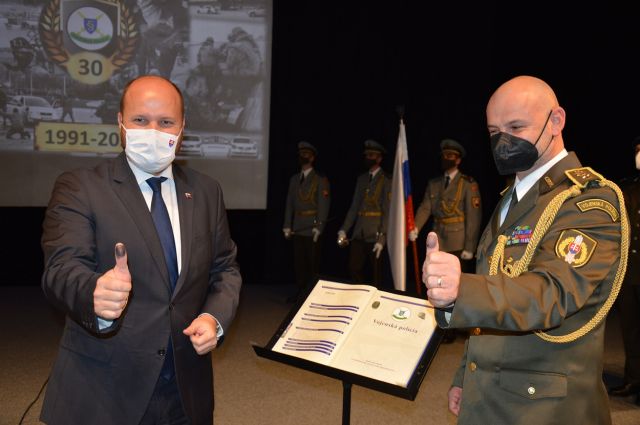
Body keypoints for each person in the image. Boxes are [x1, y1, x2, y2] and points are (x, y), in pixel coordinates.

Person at [422, 75, 628, 424]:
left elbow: (552, 292)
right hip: (493, 394)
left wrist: (462, 289)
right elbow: (495, 294)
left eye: (516, 126)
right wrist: (466, 374)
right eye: (493, 131)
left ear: (556, 121)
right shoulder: (511, 199)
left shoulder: (588, 201)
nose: (502, 141)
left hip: (543, 408)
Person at [40, 75, 242, 425]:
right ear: (120, 122)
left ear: (182, 128)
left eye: (165, 122)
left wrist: (214, 318)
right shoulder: (80, 186)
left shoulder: (207, 191)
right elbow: (61, 268)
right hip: (105, 391)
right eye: (140, 120)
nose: (153, 132)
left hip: (186, 389)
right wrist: (94, 292)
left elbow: (225, 269)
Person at [410, 138, 482, 272]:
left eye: (450, 156)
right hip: (437, 239)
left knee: (457, 279)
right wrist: (415, 227)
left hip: (457, 241)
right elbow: (425, 208)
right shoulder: (434, 183)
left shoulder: (468, 184)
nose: (445, 158)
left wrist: (470, 247)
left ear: (458, 160)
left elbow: (473, 218)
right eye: (443, 155)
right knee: (436, 275)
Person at [608, 137, 640, 404]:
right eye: (638, 150)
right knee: (631, 329)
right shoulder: (626, 187)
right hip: (630, 271)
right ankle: (634, 379)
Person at [338, 139, 391, 287]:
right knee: (354, 268)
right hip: (359, 231)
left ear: (379, 158)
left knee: (377, 274)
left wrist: (382, 239)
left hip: (375, 232)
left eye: (372, 155)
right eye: (367, 155)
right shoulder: (362, 179)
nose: (368, 158)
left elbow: (387, 212)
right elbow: (354, 206)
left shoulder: (387, 180)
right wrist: (344, 229)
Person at [282, 141, 330, 301]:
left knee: (312, 264)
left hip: (312, 227)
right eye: (301, 154)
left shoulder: (320, 180)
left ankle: (312, 296)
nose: (302, 156)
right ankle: (301, 292)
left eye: (306, 154)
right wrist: (287, 225)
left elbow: (324, 205)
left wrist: (320, 227)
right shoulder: (294, 179)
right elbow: (289, 203)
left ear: (312, 158)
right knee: (299, 263)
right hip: (297, 226)